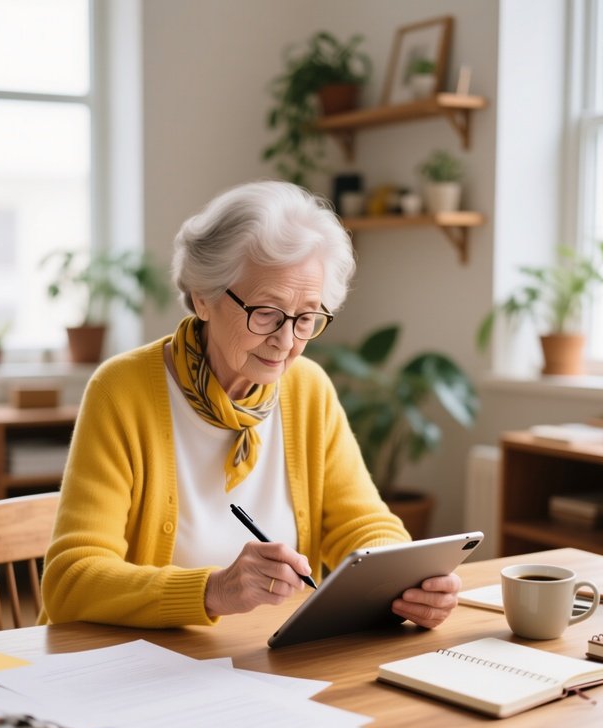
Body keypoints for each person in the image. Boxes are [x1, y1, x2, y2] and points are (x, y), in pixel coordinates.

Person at [39, 180, 460, 629]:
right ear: (204, 296)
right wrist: (213, 591)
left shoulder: (307, 389)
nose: (285, 341)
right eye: (266, 312)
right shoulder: (122, 391)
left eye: (306, 317)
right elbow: (70, 580)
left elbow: (359, 522)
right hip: (132, 669)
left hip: (262, 663)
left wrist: (405, 578)